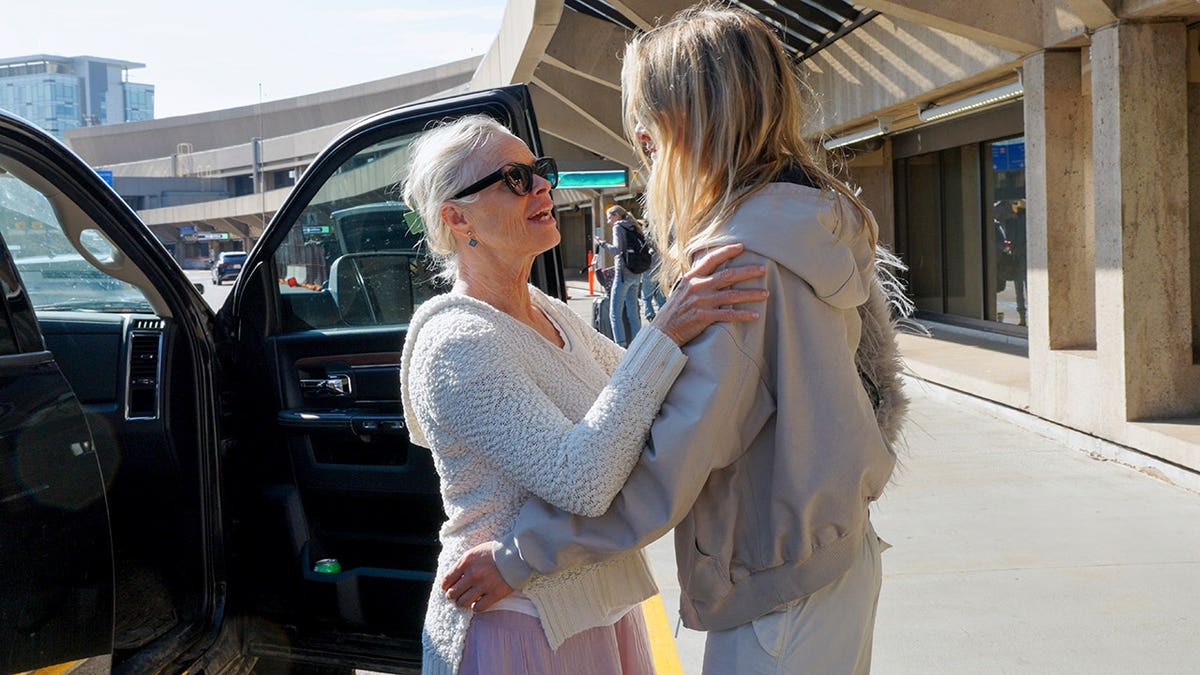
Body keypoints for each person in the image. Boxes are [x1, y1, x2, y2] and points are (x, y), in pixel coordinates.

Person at [441, 7, 909, 674]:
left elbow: (666, 466)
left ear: (691, 124)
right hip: (836, 558)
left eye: (648, 122)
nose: (640, 140)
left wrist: (518, 555)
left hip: (777, 596)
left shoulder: (737, 266)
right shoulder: (813, 220)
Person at [398, 114, 768, 674]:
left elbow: (650, 398)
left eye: (540, 171)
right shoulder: (456, 343)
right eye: (515, 179)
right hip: (517, 625)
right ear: (456, 217)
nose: (542, 187)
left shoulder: (547, 311)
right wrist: (666, 331)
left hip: (595, 610)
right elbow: (582, 481)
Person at [597, 205, 646, 346]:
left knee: (614, 314)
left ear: (617, 215)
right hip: (636, 273)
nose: (608, 221)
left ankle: (620, 345)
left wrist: (602, 244)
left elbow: (617, 250)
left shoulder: (618, 227)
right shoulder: (633, 226)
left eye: (609, 217)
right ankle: (638, 344)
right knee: (633, 313)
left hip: (623, 274)